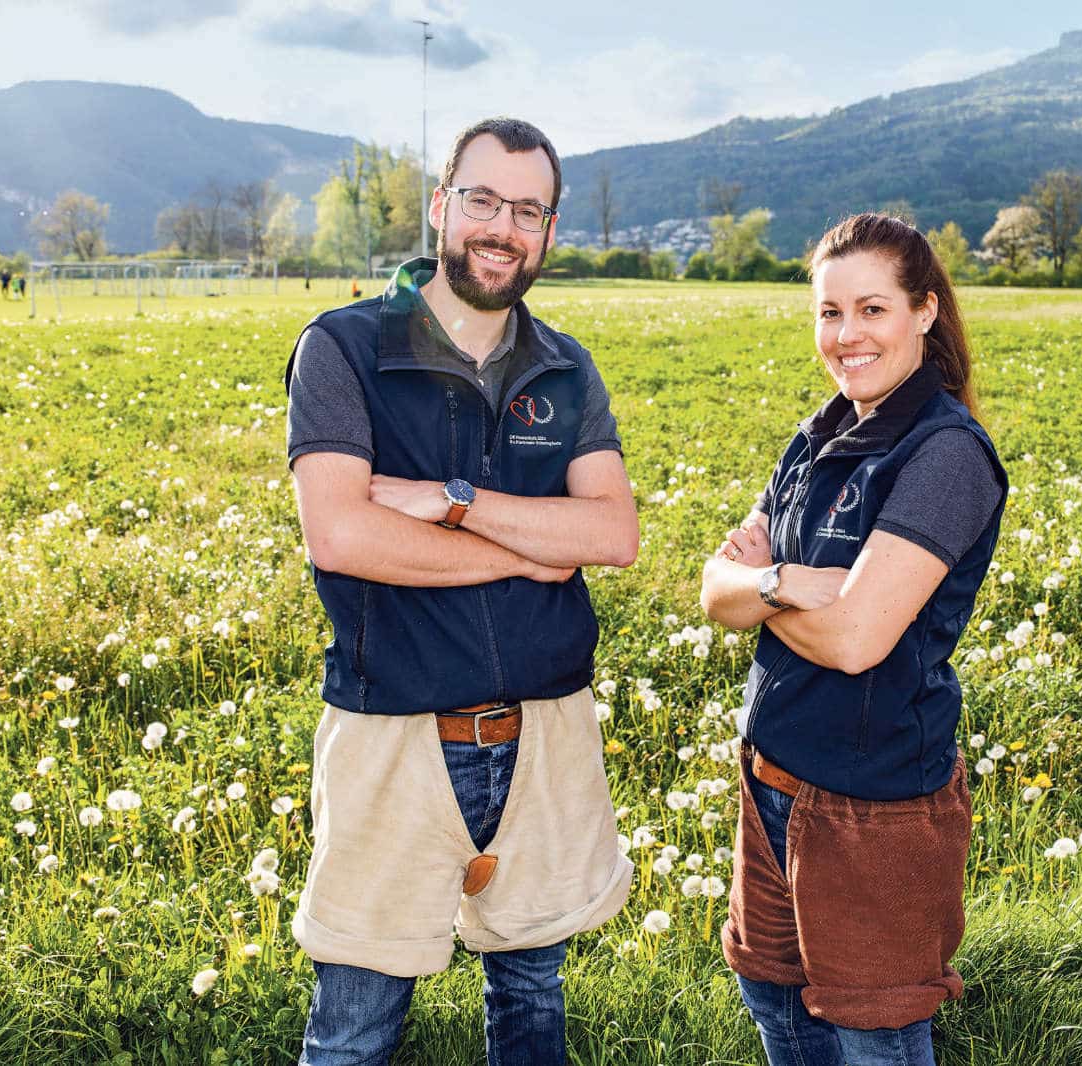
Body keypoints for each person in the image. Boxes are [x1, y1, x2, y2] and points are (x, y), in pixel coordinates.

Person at [284, 116, 639, 1065]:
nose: (502, 225)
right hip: (393, 732)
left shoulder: (565, 367)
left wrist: (452, 503)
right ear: (443, 206)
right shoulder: (345, 347)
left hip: (545, 732)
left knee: (532, 995)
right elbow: (342, 533)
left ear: (550, 232)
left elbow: (610, 534)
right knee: (356, 1017)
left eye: (528, 209)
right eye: (482, 199)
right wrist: (530, 548)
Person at [700, 212, 1007, 1066]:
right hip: (772, 781)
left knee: (875, 1034)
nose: (847, 335)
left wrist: (767, 597)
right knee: (774, 996)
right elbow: (715, 591)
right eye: (829, 313)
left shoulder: (945, 454)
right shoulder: (819, 434)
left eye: (871, 309)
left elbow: (857, 643)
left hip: (873, 802)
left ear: (925, 312)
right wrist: (786, 584)